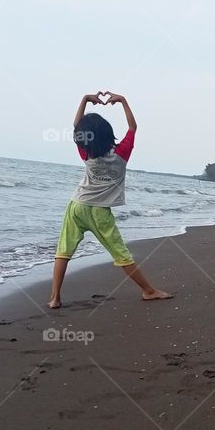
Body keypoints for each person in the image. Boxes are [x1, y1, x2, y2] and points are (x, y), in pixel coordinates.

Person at [48, 91, 172, 308]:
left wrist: (85, 99)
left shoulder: (86, 152)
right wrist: (123, 100)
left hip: (76, 205)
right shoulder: (121, 153)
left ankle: (55, 298)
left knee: (63, 251)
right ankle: (148, 290)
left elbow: (77, 127)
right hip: (100, 212)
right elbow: (133, 127)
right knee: (120, 253)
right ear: (108, 133)